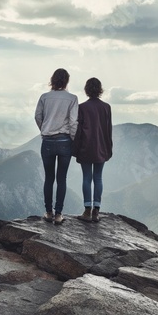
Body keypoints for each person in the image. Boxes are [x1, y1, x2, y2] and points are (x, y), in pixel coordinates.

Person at [34, 68, 78, 225]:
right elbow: (73, 122)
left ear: (52, 80)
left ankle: (48, 212)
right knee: (62, 178)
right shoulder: (72, 98)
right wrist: (73, 139)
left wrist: (44, 129)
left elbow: (37, 116)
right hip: (65, 141)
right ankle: (59, 214)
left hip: (47, 141)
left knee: (49, 178)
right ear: (66, 81)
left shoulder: (44, 97)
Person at [72, 77, 113, 223]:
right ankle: (96, 211)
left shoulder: (82, 108)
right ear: (100, 89)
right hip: (101, 147)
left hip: (86, 147)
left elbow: (78, 131)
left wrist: (74, 149)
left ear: (87, 90)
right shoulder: (106, 107)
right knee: (98, 178)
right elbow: (108, 130)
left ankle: (87, 210)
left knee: (86, 178)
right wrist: (109, 148)